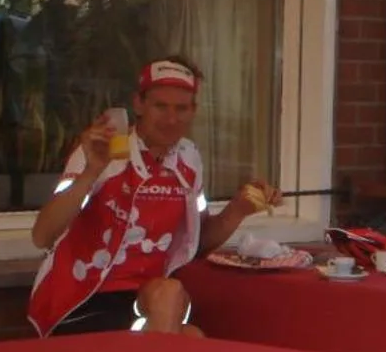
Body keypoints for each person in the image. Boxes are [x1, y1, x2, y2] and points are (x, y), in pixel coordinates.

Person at [29, 56, 278, 336]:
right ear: (139, 104)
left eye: (181, 108)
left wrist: (238, 209)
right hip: (80, 301)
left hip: (146, 301)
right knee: (175, 308)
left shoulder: (189, 157)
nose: (171, 119)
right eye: (160, 106)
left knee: (189, 330)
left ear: (194, 111)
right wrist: (92, 171)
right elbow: (43, 236)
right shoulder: (106, 149)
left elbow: (197, 243)